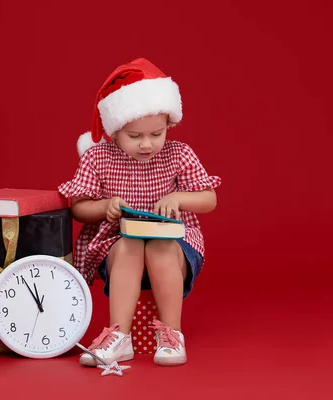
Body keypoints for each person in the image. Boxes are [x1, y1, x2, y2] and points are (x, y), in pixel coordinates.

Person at [58, 58, 221, 367]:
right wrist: (104, 208)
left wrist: (178, 198)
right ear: (115, 131)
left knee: (159, 247)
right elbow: (79, 208)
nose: (147, 145)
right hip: (118, 249)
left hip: (175, 249)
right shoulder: (98, 158)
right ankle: (119, 337)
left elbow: (209, 199)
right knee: (130, 244)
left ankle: (172, 335)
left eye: (156, 134)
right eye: (135, 137)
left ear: (168, 126)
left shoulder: (179, 154)